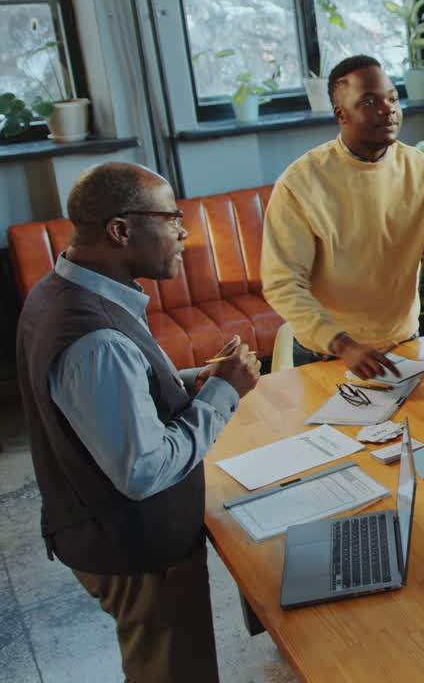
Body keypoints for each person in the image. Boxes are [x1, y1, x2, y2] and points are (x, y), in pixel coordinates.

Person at [15, 162, 261, 682]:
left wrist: (192, 377)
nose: (183, 232)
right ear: (121, 230)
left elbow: (108, 398)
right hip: (136, 548)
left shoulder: (61, 290)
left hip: (97, 527)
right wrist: (222, 392)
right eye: (170, 217)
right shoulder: (95, 338)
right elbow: (143, 469)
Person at [261, 54, 424, 380]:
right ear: (340, 113)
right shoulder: (300, 183)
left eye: (392, 98)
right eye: (370, 102)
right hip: (327, 353)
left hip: (403, 342)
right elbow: (283, 283)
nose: (388, 110)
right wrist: (343, 345)